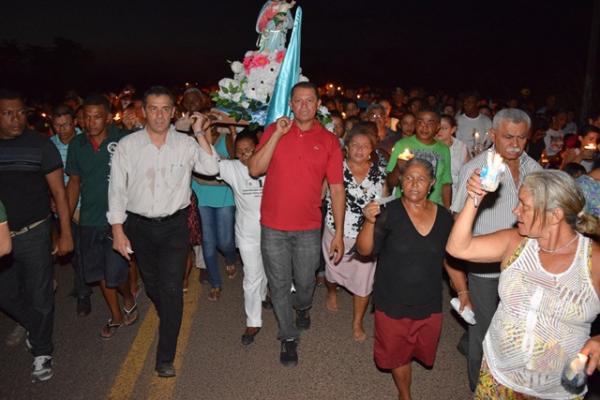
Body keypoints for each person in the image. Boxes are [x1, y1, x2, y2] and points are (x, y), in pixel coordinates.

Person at [447, 169, 600, 399]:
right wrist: (474, 198)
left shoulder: (592, 260)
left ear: (555, 215)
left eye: (524, 205)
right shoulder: (514, 242)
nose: (515, 210)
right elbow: (457, 248)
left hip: (556, 389)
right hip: (498, 375)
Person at [108, 86, 219, 378]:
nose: (159, 115)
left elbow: (210, 167)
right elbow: (117, 190)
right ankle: (168, 310)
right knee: (154, 284)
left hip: (173, 227)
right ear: (144, 111)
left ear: (173, 112)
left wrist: (199, 132)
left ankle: (165, 357)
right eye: (153, 108)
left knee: (171, 290)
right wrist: (118, 231)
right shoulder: (128, 145)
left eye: (165, 109)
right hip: (139, 227)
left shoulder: (185, 144)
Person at [248, 81, 345, 367]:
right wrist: (277, 134)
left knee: (304, 283)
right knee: (278, 285)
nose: (303, 105)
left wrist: (338, 233)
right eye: (298, 101)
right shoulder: (273, 131)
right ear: (290, 104)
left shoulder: (328, 141)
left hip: (307, 228)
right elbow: (255, 169)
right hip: (273, 227)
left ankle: (303, 307)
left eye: (309, 101)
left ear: (317, 105)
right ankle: (288, 337)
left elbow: (337, 189)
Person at [449, 108, 541, 391]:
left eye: (522, 137)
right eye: (508, 136)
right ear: (492, 135)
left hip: (523, 268)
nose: (515, 143)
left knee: (515, 332)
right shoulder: (475, 169)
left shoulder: (535, 170)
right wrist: (461, 284)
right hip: (485, 269)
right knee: (484, 332)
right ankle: (479, 388)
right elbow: (457, 220)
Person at [356, 158, 454, 400]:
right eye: (408, 177)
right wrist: (369, 222)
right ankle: (405, 394)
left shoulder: (444, 217)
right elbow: (364, 250)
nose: (413, 184)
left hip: (428, 299)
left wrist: (462, 291)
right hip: (392, 299)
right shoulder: (388, 213)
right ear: (400, 180)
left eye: (421, 179)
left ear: (431, 183)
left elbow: (450, 257)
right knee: (398, 353)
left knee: (419, 348)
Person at [0, 89, 73, 381]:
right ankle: (36, 324)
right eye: (8, 113)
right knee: (6, 294)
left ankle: (42, 350)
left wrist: (65, 232)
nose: (17, 119)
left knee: (40, 295)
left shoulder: (40, 146)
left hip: (35, 232)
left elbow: (59, 190)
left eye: (21, 112)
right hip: (2, 237)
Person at [66, 95, 137, 337]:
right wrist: (65, 221)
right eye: (87, 116)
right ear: (81, 118)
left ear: (107, 117)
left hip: (120, 219)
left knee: (115, 273)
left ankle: (128, 296)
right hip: (89, 219)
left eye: (97, 116)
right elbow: (74, 182)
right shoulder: (77, 146)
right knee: (98, 274)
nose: (92, 121)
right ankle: (116, 315)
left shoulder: (123, 138)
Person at [323, 124, 387, 341]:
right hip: (335, 230)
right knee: (332, 272)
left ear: (372, 149)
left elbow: (385, 203)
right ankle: (331, 291)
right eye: (354, 145)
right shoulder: (335, 167)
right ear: (346, 147)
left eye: (365, 146)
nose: (359, 150)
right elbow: (321, 194)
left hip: (366, 236)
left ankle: (357, 322)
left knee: (364, 280)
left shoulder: (380, 173)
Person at [218, 131, 268, 345]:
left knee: (266, 269)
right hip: (247, 233)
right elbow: (207, 161)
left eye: (249, 150)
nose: (245, 155)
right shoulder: (233, 169)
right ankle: (253, 321)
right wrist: (201, 132)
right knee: (251, 275)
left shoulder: (270, 164)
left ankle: (264, 295)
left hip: (273, 230)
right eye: (240, 152)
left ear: (258, 148)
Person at [50, 104, 91, 317]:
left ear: (74, 122)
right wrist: (51, 199)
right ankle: (83, 287)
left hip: (86, 204)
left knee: (85, 249)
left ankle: (85, 288)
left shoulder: (85, 141)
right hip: (62, 208)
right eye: (57, 125)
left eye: (66, 124)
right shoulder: (49, 145)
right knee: (73, 251)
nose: (62, 129)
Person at [387, 110, 452, 209]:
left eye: (430, 123)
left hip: (433, 208)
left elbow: (446, 183)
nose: (424, 127)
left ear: (438, 126)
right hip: (405, 208)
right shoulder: (402, 145)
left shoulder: (443, 149)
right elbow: (390, 183)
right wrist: (398, 166)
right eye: (420, 122)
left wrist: (447, 210)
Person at [435, 114, 470, 198]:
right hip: (435, 190)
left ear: (453, 129)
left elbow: (467, 171)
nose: (439, 131)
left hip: (456, 191)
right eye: (438, 128)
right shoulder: (430, 144)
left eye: (444, 128)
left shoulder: (461, 147)